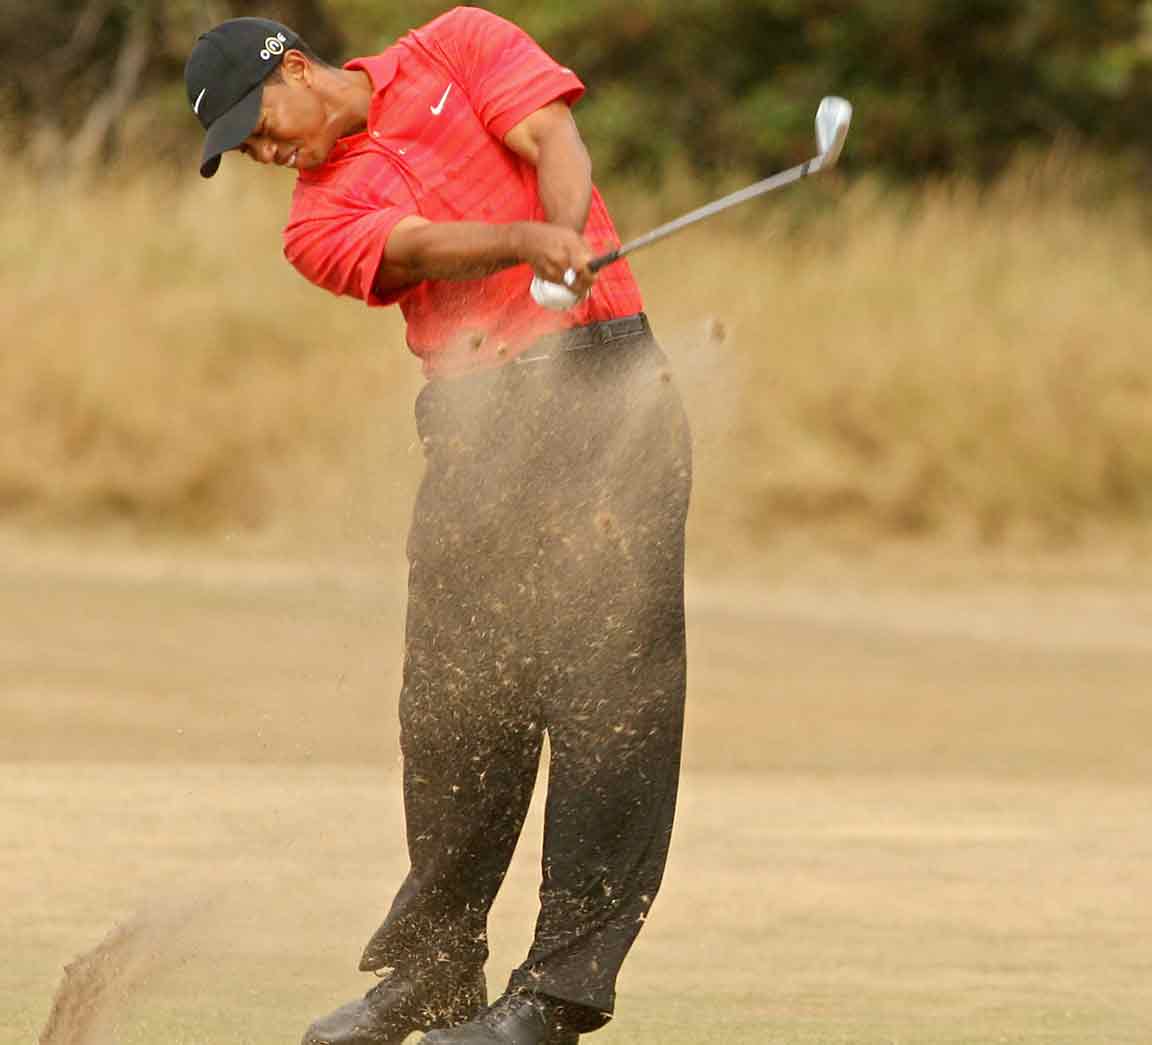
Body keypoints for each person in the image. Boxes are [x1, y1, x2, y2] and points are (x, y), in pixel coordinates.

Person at [183, 10, 692, 1045]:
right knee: (455, 704)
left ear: (297, 68)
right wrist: (527, 243)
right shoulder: (313, 223)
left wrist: (564, 238)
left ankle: (555, 994)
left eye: (258, 124)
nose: (262, 152)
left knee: (605, 703)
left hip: (609, 389)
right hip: (477, 425)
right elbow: (412, 246)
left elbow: (551, 137)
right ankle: (435, 970)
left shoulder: (456, 43)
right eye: (242, 149)